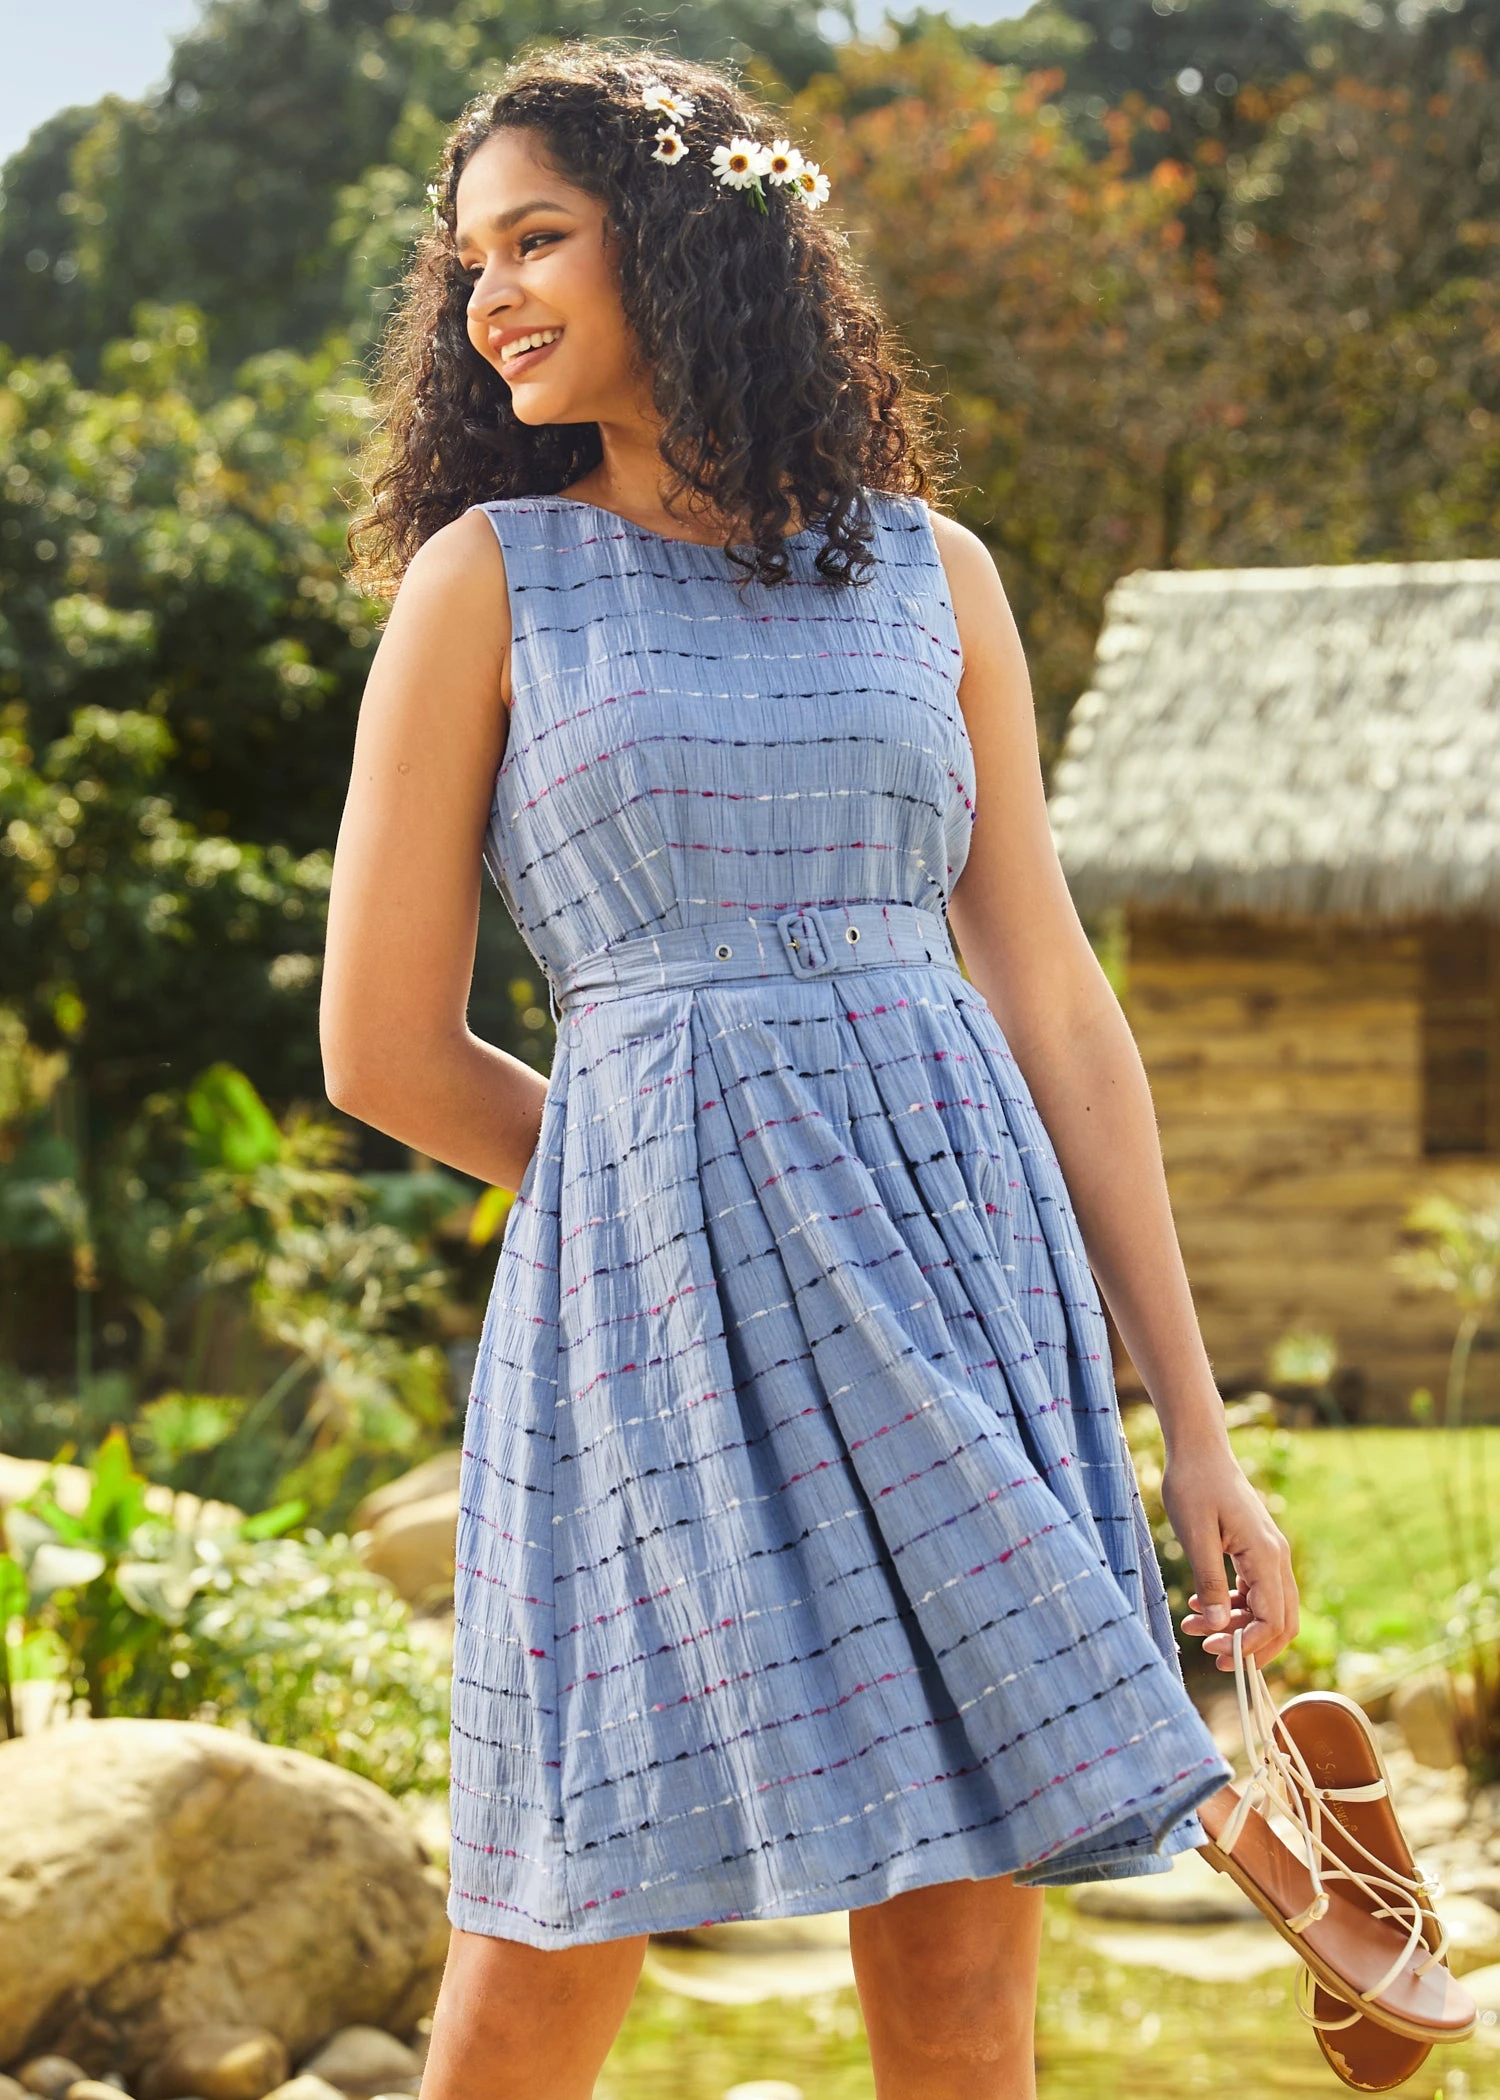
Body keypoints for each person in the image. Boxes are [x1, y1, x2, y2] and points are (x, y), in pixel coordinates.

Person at [322, 41, 1298, 2100]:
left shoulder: (936, 575)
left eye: (536, 239)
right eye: (468, 260)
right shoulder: (489, 580)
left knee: (960, 1992)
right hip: (655, 1321)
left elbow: (1055, 1003)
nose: (489, 296)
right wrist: (669, 1192)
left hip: (959, 1282)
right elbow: (383, 1050)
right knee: (547, 1946)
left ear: (683, 239)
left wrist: (1197, 1427)